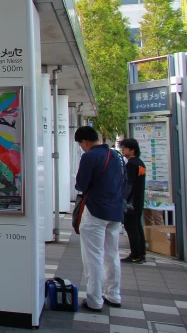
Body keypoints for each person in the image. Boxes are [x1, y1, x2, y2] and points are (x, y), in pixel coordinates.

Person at [74, 126, 125, 311]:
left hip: (95, 211)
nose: (82, 148)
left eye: (80, 145)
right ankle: (113, 294)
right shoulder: (117, 156)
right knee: (112, 254)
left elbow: (81, 184)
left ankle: (95, 300)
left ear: (85, 142)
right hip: (115, 212)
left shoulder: (89, 157)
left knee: (93, 256)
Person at [119, 138, 146, 264]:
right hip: (138, 201)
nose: (122, 149)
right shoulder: (140, 163)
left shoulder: (131, 164)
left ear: (132, 150)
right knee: (138, 228)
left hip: (131, 203)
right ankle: (141, 253)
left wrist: (123, 199)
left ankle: (135, 255)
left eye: (125, 147)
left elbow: (128, 184)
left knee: (131, 229)